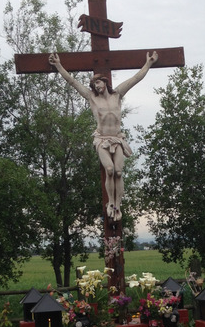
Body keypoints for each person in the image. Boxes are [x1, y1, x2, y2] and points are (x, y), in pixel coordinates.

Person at [49, 50, 158, 220]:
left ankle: (118, 206)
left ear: (105, 82)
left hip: (117, 139)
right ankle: (111, 203)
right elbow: (72, 81)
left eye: (98, 83)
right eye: (94, 85)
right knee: (109, 169)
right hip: (101, 139)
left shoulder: (117, 94)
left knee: (119, 172)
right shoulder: (92, 97)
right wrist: (58, 65)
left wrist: (149, 63)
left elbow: (136, 79)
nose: (96, 86)